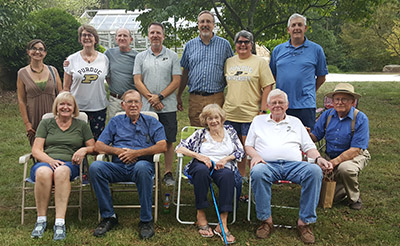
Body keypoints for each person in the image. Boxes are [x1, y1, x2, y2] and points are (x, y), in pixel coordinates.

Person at [245, 89, 332, 244]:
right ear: (268, 105)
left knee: (314, 171)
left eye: (281, 102)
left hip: (294, 166)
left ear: (287, 105)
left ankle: (304, 223)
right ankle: (266, 221)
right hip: (267, 164)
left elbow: (308, 146)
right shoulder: (258, 121)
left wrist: (318, 158)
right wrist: (256, 156)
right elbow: (248, 145)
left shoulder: (295, 122)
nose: (277, 105)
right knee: (257, 172)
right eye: (274, 103)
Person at [89, 89, 167, 239]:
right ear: (123, 105)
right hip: (118, 167)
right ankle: (108, 216)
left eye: (136, 102)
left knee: (142, 167)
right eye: (129, 102)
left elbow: (162, 146)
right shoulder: (115, 122)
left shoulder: (151, 122)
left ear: (141, 104)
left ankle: (146, 221)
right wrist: (119, 152)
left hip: (142, 166)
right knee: (96, 167)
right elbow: (99, 146)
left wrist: (136, 153)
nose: (133, 105)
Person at [176, 104, 245, 244]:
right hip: (202, 164)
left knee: (227, 176)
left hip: (223, 165)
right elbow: (180, 148)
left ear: (222, 119)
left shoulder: (230, 132)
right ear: (205, 121)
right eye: (209, 118)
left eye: (216, 118)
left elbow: (240, 152)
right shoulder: (201, 134)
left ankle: (222, 223)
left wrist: (225, 159)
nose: (213, 121)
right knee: (201, 172)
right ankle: (200, 214)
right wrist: (199, 156)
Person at [30, 92, 95, 240]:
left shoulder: (82, 125)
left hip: (69, 164)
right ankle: (41, 220)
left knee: (60, 172)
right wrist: (50, 161)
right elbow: (36, 150)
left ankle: (59, 222)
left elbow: (94, 147)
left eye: (69, 104)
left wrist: (84, 149)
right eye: (62, 104)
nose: (65, 107)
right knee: (43, 173)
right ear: (57, 107)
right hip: (46, 161)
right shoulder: (46, 123)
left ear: (74, 108)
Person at [134, 22, 181, 186]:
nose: (155, 35)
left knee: (168, 140)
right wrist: (151, 98)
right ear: (148, 36)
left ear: (163, 36)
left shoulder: (173, 56)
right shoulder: (140, 57)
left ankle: (167, 172)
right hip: (147, 108)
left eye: (158, 33)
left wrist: (160, 97)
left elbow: (176, 81)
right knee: (147, 140)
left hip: (167, 106)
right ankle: (149, 171)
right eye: (152, 32)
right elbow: (137, 80)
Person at [310, 83, 370, 210]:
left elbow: (356, 149)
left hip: (353, 156)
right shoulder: (327, 115)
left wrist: (333, 162)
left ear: (353, 102)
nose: (340, 102)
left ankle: (354, 197)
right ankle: (340, 188)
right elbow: (315, 137)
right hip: (330, 156)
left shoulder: (360, 118)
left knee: (345, 169)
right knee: (313, 172)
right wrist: (305, 134)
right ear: (332, 101)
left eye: (344, 99)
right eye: (337, 99)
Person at [223, 30, 275, 178]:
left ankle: (249, 176)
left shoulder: (260, 62)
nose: (243, 45)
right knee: (233, 147)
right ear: (235, 44)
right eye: (239, 42)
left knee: (248, 148)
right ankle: (236, 176)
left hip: (250, 114)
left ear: (251, 45)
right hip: (230, 113)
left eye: (246, 42)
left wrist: (264, 110)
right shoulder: (229, 62)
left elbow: (268, 86)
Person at [269, 13, 328, 130]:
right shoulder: (278, 50)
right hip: (282, 104)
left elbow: (321, 77)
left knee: (305, 137)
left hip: (306, 105)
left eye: (300, 25)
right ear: (288, 29)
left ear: (305, 28)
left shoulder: (316, 50)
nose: (296, 28)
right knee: (282, 136)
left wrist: (309, 90)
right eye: (293, 25)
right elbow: (272, 75)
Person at [178, 10, 234, 126]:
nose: (205, 24)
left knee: (216, 130)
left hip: (216, 97)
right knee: (197, 131)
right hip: (195, 98)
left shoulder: (224, 45)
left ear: (213, 25)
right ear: (198, 25)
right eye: (202, 22)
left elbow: (231, 70)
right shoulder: (190, 45)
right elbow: (185, 72)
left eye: (208, 22)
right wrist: (179, 95)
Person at [64, 24, 109, 140]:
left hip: (98, 106)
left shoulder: (104, 59)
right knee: (77, 140)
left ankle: (98, 159)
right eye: (84, 35)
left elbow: (108, 79)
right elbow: (66, 87)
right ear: (80, 39)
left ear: (95, 39)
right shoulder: (71, 59)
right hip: (78, 107)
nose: (87, 38)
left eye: (90, 35)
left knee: (98, 140)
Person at [17, 39, 63, 146]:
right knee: (38, 148)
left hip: (53, 115)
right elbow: (21, 100)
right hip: (34, 117)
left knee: (56, 146)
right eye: (34, 48)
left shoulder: (53, 70)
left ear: (45, 53)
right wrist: (27, 123)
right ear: (28, 51)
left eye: (41, 49)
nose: (37, 52)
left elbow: (61, 95)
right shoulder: (22, 73)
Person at [105, 27, 139, 118]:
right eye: (119, 35)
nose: (122, 38)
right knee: (115, 128)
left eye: (125, 36)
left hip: (132, 101)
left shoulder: (137, 56)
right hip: (115, 100)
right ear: (116, 39)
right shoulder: (109, 54)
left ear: (131, 39)